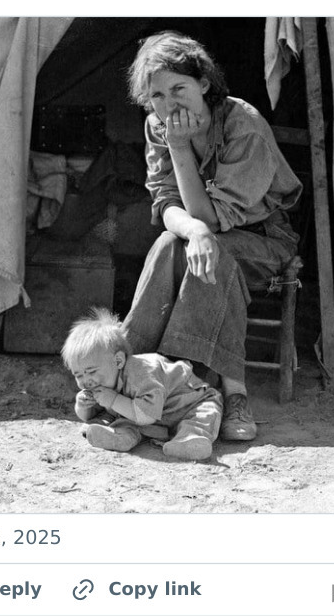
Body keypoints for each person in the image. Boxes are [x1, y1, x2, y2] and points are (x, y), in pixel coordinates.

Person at [123, 31, 302, 442]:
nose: (169, 105)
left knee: (212, 252)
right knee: (170, 243)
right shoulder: (158, 126)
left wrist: (181, 148)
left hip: (264, 240)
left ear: (204, 84)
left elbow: (213, 217)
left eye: (179, 89)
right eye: (157, 96)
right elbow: (167, 203)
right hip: (203, 237)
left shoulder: (245, 126)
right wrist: (195, 230)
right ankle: (135, 372)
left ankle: (221, 390)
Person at [62, 308, 223, 461]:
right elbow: (94, 413)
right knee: (125, 419)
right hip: (150, 416)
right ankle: (119, 437)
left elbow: (147, 415)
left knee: (203, 416)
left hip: (190, 404)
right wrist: (83, 406)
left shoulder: (142, 374)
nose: (86, 380)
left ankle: (190, 441)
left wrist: (112, 400)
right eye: (78, 374)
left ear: (118, 361)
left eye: (91, 371)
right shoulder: (105, 382)